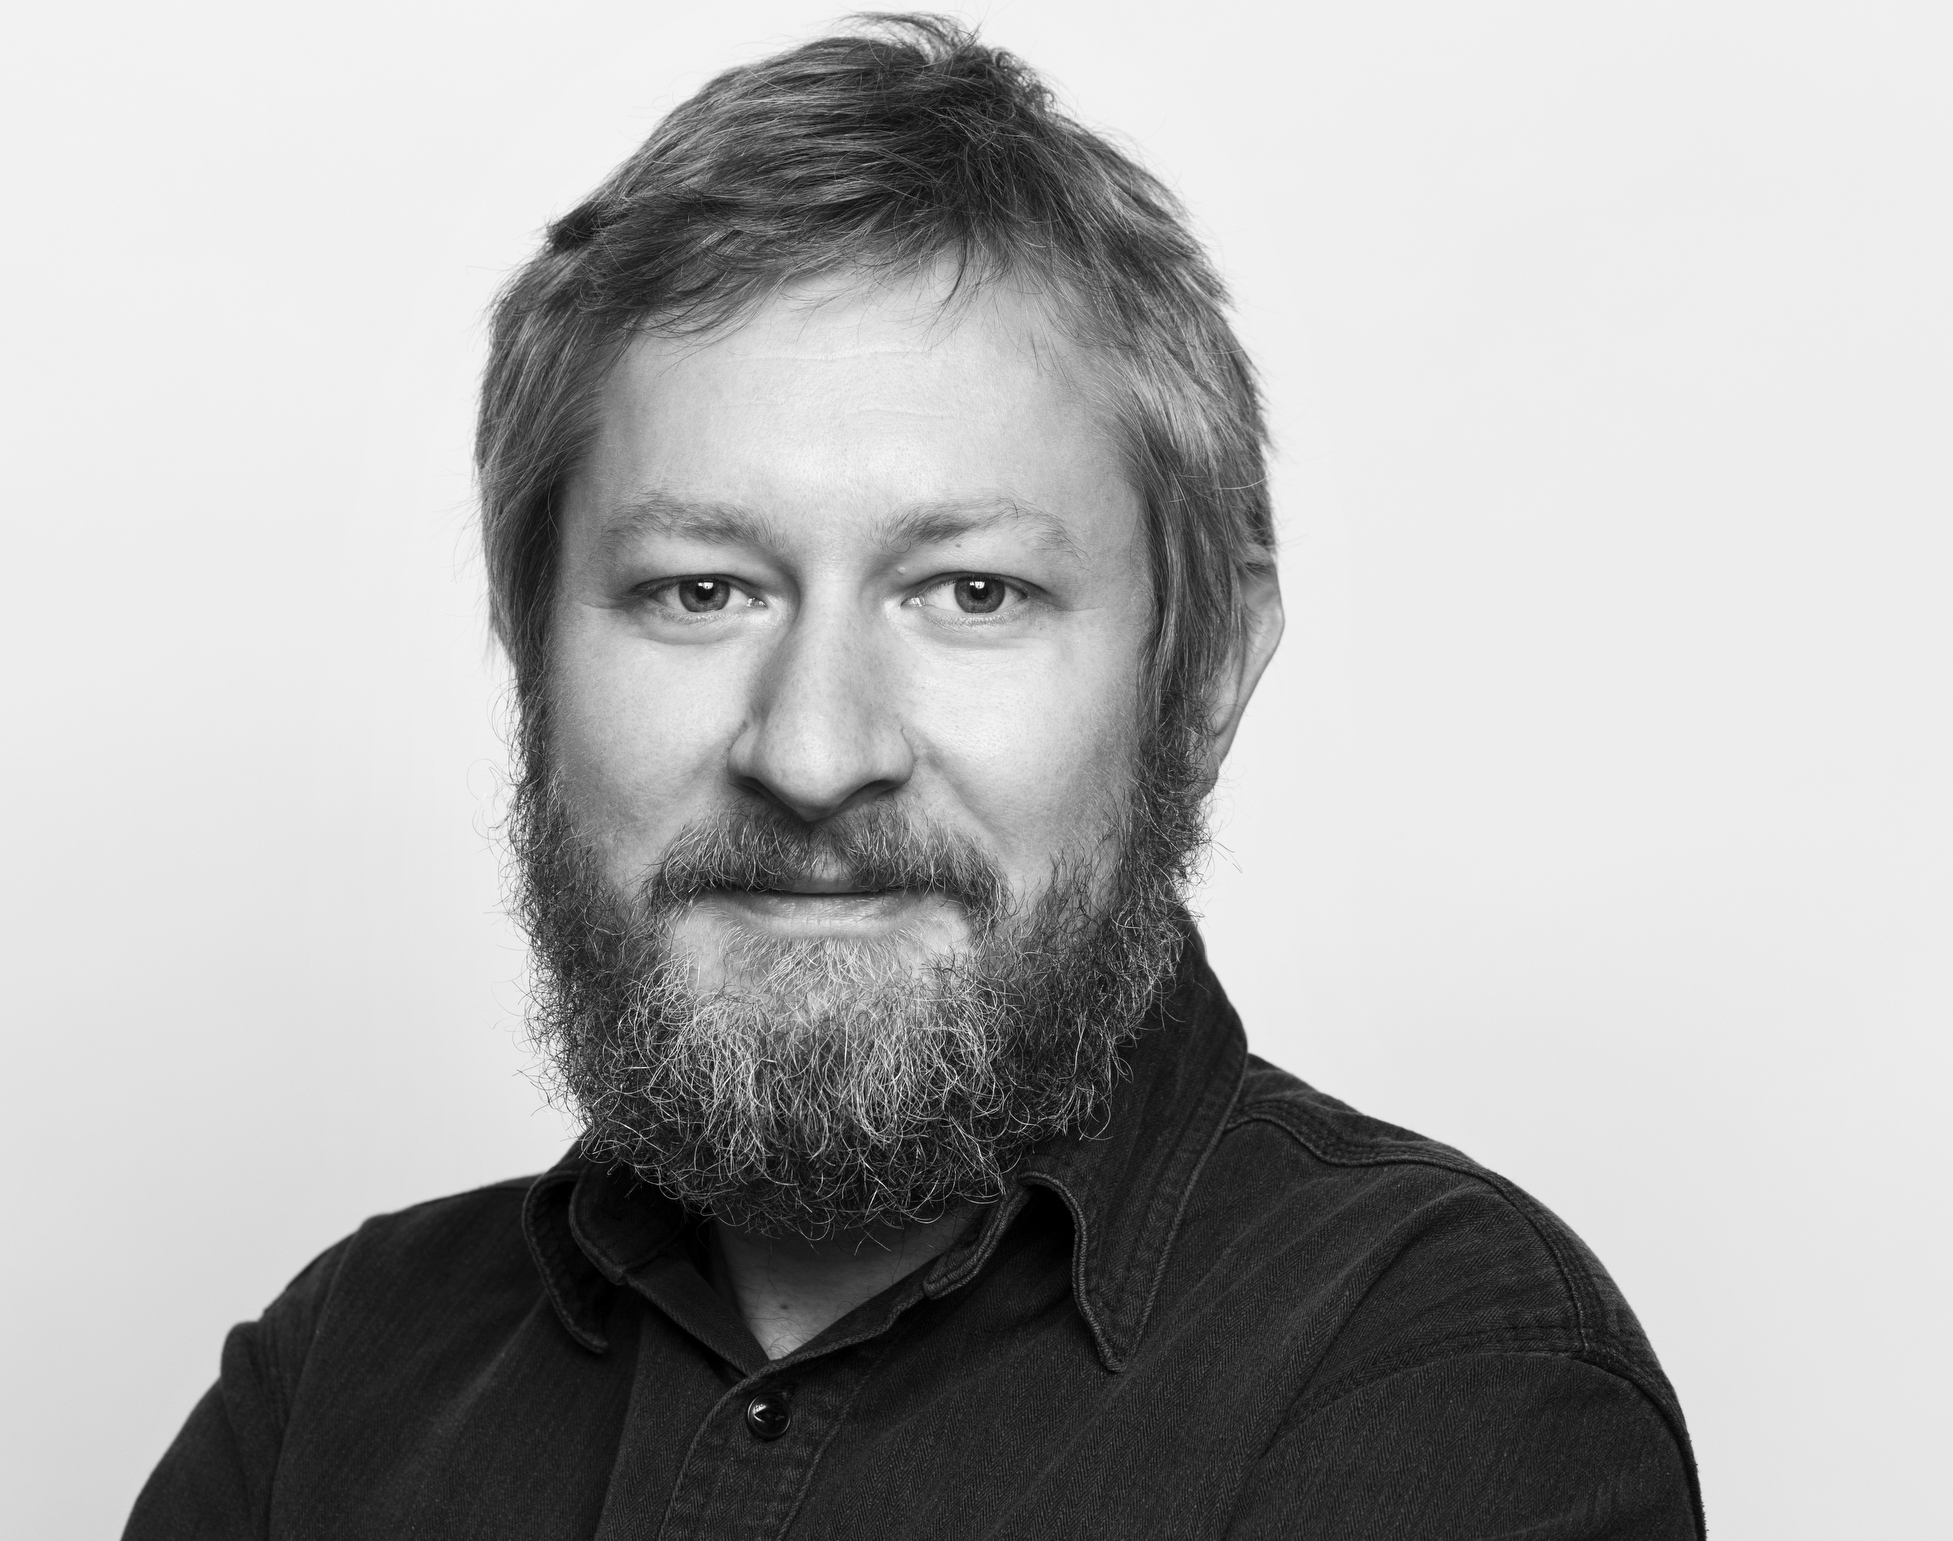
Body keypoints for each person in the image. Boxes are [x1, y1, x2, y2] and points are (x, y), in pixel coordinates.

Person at [125, 16, 1701, 1538]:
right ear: (528, 654)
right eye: (700, 589)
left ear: (1205, 671)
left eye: (970, 592)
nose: (815, 754)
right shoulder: (331, 1393)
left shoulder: (1440, 1381)